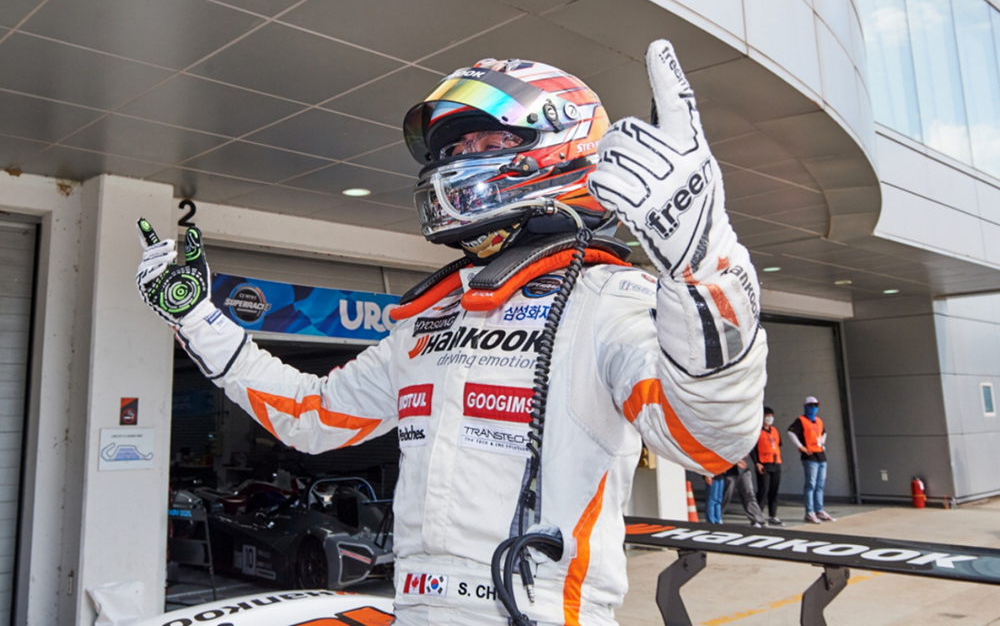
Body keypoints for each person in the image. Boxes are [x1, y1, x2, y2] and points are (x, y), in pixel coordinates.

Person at [134, 41, 767, 626]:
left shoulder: (611, 300)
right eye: (453, 151)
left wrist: (703, 267)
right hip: (417, 606)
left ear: (559, 146)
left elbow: (712, 440)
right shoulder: (430, 321)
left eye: (484, 142)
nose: (457, 162)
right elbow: (310, 416)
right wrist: (197, 318)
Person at [788, 396, 835, 524]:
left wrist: (822, 443)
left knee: (820, 485)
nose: (813, 408)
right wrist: (800, 446)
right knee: (811, 484)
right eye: (811, 405)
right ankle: (809, 512)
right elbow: (791, 432)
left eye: (815, 405)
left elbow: (824, 432)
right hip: (809, 456)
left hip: (820, 455)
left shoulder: (819, 421)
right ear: (806, 406)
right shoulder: (801, 420)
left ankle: (819, 510)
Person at [751, 406, 782, 526]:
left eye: (771, 416)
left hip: (775, 463)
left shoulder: (775, 430)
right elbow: (753, 449)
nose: (770, 418)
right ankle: (757, 517)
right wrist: (756, 463)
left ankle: (772, 515)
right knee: (763, 490)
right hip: (764, 464)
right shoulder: (757, 431)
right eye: (767, 416)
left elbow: (778, 445)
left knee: (774, 491)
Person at [720, 455, 766, 527]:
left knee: (749, 495)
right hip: (730, 470)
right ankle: (717, 516)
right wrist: (735, 461)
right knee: (726, 495)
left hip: (744, 470)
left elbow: (750, 450)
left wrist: (756, 462)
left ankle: (757, 520)